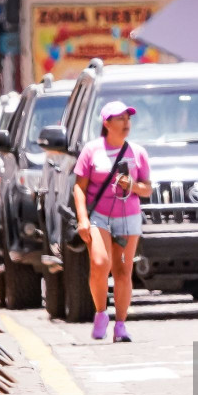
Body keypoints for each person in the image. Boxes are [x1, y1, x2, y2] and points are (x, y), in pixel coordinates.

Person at [74, 101, 152, 342]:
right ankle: (100, 313)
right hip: (99, 216)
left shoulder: (137, 152)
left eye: (128, 119)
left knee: (123, 270)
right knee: (99, 262)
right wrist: (83, 219)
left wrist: (134, 186)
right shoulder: (91, 150)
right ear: (106, 123)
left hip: (128, 217)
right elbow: (79, 187)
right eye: (120, 119)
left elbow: (147, 189)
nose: (126, 123)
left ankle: (120, 325)